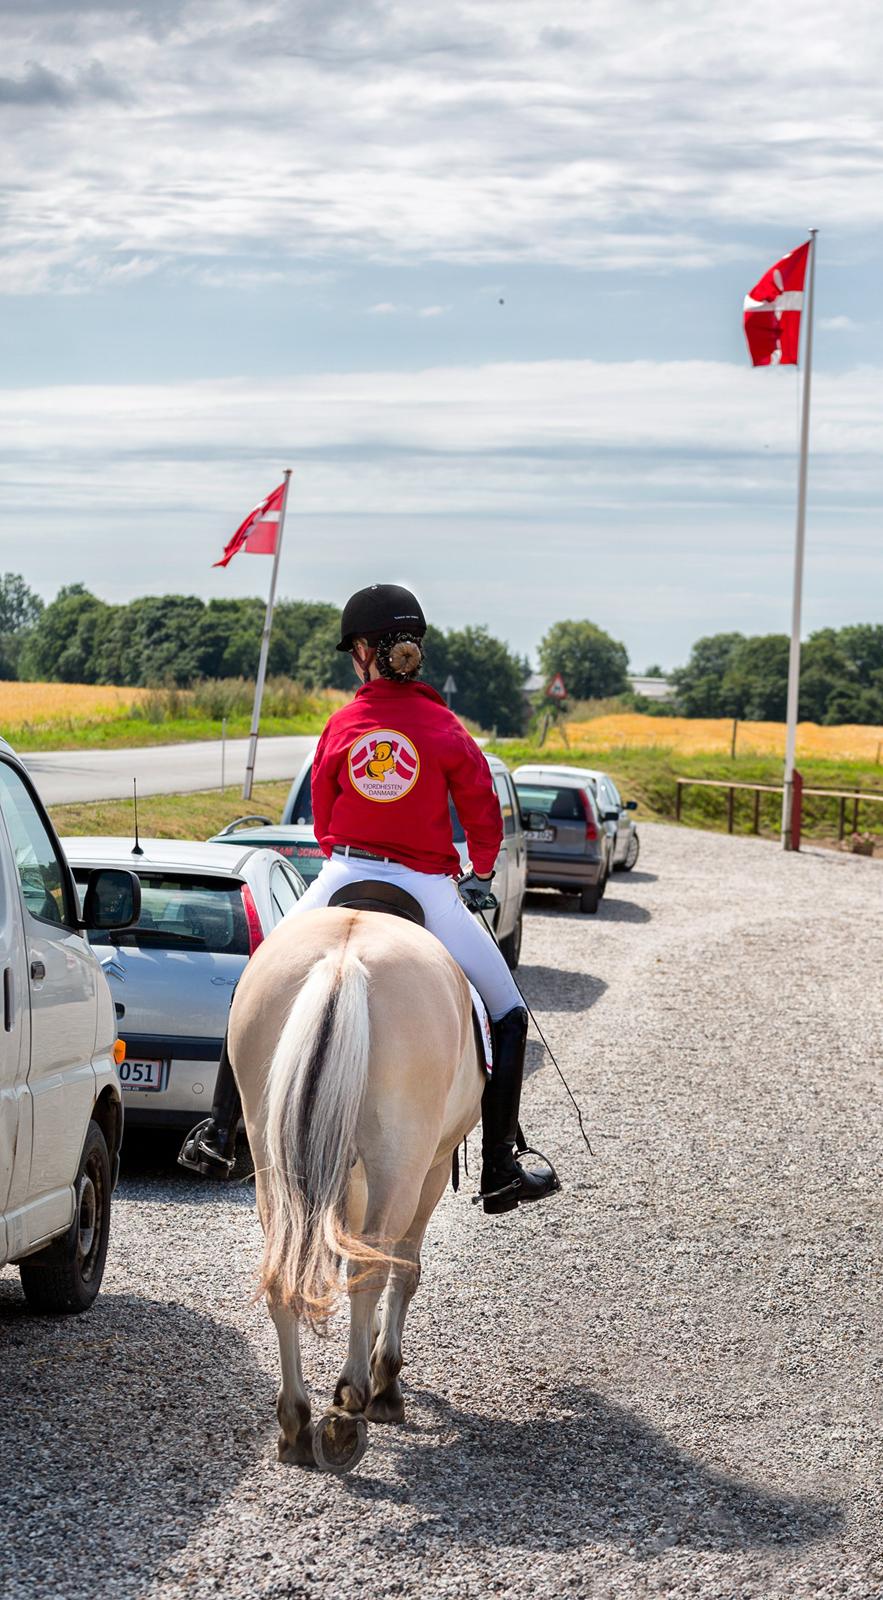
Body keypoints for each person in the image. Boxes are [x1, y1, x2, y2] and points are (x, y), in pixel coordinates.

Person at [180, 583, 558, 1215]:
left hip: (341, 874)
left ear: (364, 652)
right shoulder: (443, 726)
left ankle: (221, 1134)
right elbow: (481, 809)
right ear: (412, 651)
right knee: (506, 1010)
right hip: (428, 890)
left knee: (257, 979)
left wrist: (344, 847)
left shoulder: (343, 723)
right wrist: (481, 871)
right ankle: (499, 1166)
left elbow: (324, 808)